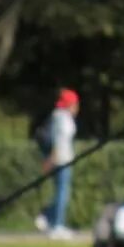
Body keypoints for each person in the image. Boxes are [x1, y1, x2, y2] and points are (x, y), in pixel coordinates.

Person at [35, 88, 80, 239]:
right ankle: (56, 225)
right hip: (61, 160)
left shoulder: (59, 116)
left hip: (61, 159)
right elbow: (58, 141)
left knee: (61, 193)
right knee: (62, 193)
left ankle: (47, 217)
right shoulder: (62, 118)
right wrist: (51, 159)